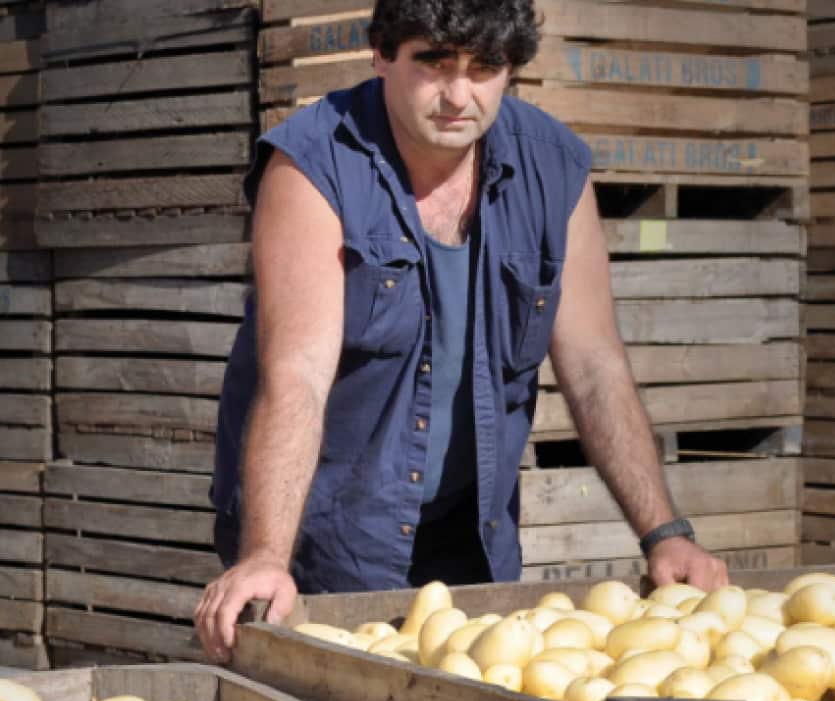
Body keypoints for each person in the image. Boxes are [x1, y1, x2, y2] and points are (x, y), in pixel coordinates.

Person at [194, 0, 729, 663]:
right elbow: (296, 373)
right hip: (323, 536)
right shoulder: (315, 163)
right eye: (434, 63)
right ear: (382, 53)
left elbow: (595, 366)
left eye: (484, 69)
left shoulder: (552, 169)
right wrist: (265, 557)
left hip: (472, 536)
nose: (457, 95)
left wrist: (664, 534)